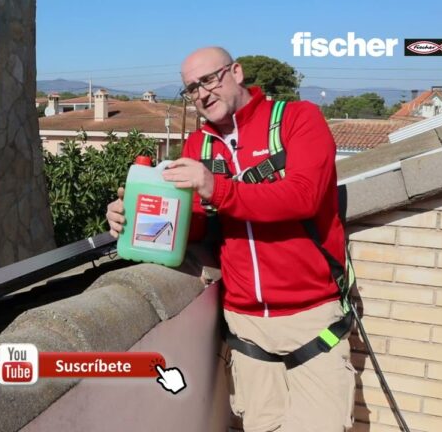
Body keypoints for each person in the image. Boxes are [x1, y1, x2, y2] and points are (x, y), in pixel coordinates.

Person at [106, 47, 355, 431]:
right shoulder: (198, 147)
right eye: (192, 88)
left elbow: (304, 196)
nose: (202, 94)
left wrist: (215, 187)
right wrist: (134, 217)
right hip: (245, 326)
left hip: (311, 316)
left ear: (236, 72)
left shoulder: (297, 119)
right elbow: (195, 227)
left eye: (209, 80)